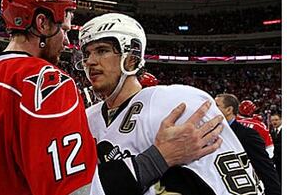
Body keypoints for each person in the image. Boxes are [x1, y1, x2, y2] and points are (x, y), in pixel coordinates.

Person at [0, 0, 223, 195]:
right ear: (42, 24)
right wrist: (159, 158)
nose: (67, 41)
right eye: (65, 29)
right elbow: (78, 192)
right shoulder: (45, 81)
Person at [77, 13, 262, 195]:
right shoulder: (85, 118)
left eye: (102, 50)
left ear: (132, 57)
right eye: (87, 54)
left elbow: (236, 185)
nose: (90, 62)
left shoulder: (177, 102)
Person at [215, 94, 281, 195]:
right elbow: (269, 152)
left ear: (229, 110)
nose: (211, 109)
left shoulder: (247, 134)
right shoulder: (258, 125)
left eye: (216, 105)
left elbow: (266, 168)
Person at [270, 113, 282, 180]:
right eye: (272, 120)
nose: (274, 122)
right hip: (276, 161)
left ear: (281, 120)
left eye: (276, 120)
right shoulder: (271, 131)